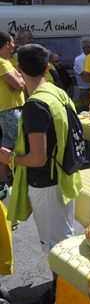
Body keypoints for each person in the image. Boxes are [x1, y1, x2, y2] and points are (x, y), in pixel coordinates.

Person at [1, 43, 83, 304]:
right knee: (64, 239)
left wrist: (8, 158)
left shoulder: (35, 105)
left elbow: (37, 158)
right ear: (48, 68)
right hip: (63, 177)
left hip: (46, 182)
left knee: (55, 245)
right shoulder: (57, 93)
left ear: (19, 70)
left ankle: (61, 294)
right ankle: (64, 288)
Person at [0, 32, 24, 194]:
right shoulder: (2, 62)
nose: (15, 45)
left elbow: (18, 82)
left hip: (9, 109)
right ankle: (21, 181)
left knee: (7, 145)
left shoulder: (6, 62)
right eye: (13, 42)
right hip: (9, 110)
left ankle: (3, 180)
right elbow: (20, 84)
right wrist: (18, 79)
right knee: (21, 145)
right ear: (7, 44)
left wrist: (17, 79)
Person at [73, 39, 90, 112]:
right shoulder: (79, 59)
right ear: (83, 48)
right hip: (86, 90)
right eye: (89, 47)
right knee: (85, 111)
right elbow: (86, 75)